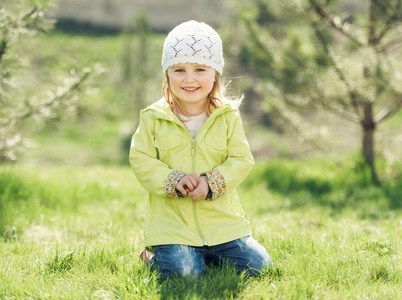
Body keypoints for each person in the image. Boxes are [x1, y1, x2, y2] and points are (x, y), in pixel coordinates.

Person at [129, 20, 273, 278]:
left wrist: (212, 182)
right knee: (184, 274)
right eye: (179, 70)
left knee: (259, 267)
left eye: (200, 69)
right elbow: (142, 159)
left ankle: (207, 257)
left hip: (223, 226)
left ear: (215, 73)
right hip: (174, 227)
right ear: (167, 74)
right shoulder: (153, 117)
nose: (189, 79)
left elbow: (241, 159)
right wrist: (173, 180)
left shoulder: (227, 116)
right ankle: (155, 257)